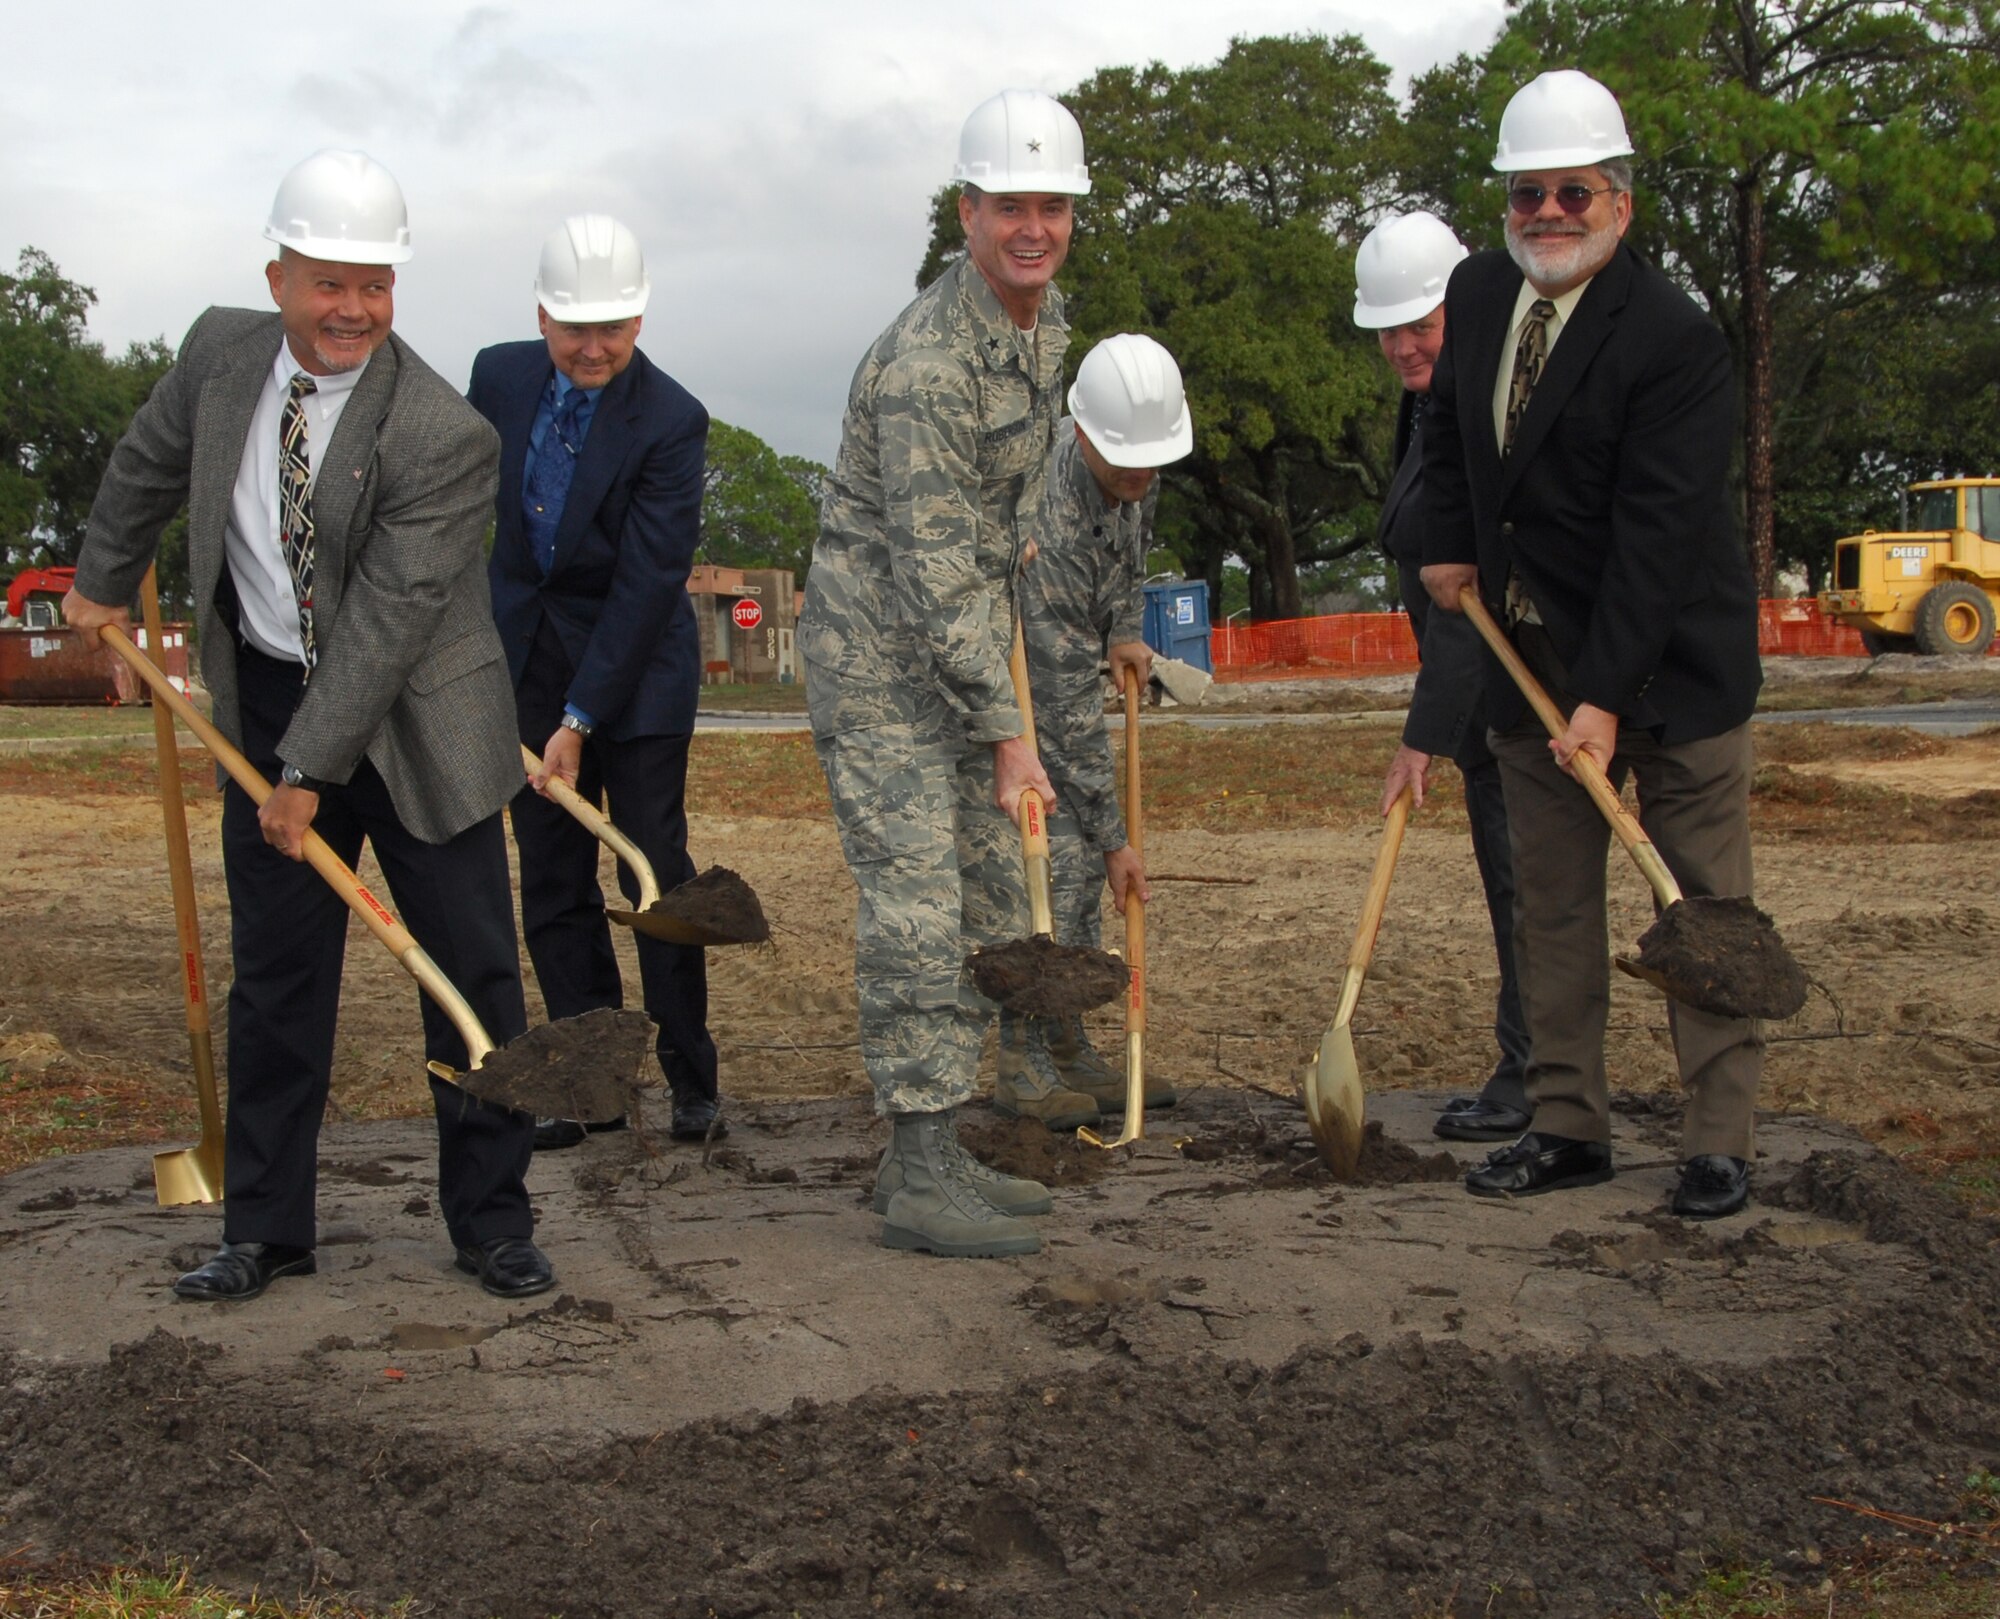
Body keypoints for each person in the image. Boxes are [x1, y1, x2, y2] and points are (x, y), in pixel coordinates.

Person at [63, 150, 554, 1300]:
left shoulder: (442, 431)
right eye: (329, 281)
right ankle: (266, 1226)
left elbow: (384, 626)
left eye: (375, 284)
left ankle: (492, 1219)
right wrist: (98, 578)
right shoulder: (216, 355)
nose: (353, 310)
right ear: (277, 272)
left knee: (467, 973)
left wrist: (302, 776)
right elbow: (144, 463)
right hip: (275, 690)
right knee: (278, 979)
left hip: (420, 719)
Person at [1418, 71, 1767, 1218]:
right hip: (1530, 656)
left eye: (1573, 190)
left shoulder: (1671, 340)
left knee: (1698, 906)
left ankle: (1717, 1138)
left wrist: (1607, 697)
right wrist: (1446, 543)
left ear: (1618, 202)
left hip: (1666, 666)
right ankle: (1567, 1122)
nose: (1548, 213)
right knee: (1553, 899)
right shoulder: (1475, 294)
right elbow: (1444, 429)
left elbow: (1655, 538)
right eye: (1527, 193)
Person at [799, 88, 1113, 1258]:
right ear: (968, 210)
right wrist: (1010, 732)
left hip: (963, 642)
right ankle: (921, 1164)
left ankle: (921, 1151)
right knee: (919, 905)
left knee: (991, 892)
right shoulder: (929, 364)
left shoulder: (1040, 327)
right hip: (879, 664)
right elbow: (932, 572)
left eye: (1053, 205)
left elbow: (998, 525)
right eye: (1008, 205)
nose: (1032, 226)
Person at [470, 215, 722, 1151]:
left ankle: (692, 1076)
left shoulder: (670, 420)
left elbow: (645, 581)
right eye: (574, 326)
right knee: (554, 879)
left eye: (612, 326)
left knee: (653, 871)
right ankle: (593, 1083)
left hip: (639, 669)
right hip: (528, 659)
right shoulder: (495, 378)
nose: (592, 346)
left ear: (641, 318)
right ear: (541, 316)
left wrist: (583, 714)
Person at [1354, 212, 1532, 1144]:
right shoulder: (1429, 402)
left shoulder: (1486, 407)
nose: (1403, 346)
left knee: (1526, 886)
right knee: (1511, 883)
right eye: (1387, 330)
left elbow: (1471, 599)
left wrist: (1421, 736)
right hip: (1478, 717)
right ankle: (1529, 1064)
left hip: (1513, 701)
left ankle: (1533, 1073)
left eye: (1419, 325)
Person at [1007, 332, 1188, 1127]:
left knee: (1078, 873)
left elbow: (1130, 561)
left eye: (1154, 463)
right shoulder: (1049, 514)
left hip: (1071, 669)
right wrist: (1118, 839)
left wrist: (1124, 627)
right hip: (1009, 692)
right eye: (1126, 466)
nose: (1142, 479)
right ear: (1083, 436)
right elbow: (1065, 713)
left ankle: (1070, 1043)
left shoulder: (1137, 471)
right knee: (1047, 867)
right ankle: (1028, 1059)